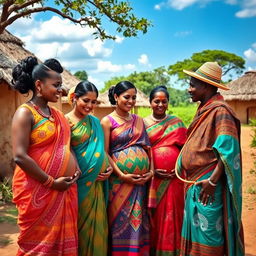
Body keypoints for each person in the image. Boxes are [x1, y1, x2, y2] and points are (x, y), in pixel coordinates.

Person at [11, 56, 80, 255]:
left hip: (65, 191)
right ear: (39, 85)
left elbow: (66, 145)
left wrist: (75, 166)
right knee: (36, 247)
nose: (61, 90)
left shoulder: (57, 115)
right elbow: (20, 156)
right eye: (56, 85)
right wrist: (51, 182)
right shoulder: (25, 113)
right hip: (38, 191)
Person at [175, 62, 244, 255]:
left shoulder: (221, 112)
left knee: (210, 237)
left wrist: (212, 182)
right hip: (196, 185)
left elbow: (227, 151)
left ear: (206, 86)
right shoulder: (204, 109)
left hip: (208, 187)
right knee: (197, 235)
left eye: (192, 85)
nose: (189, 89)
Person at [101, 81, 153, 256]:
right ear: (116, 97)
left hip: (140, 183)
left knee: (139, 220)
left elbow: (148, 148)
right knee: (119, 220)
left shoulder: (139, 120)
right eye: (126, 97)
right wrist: (122, 174)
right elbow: (105, 152)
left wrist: (151, 171)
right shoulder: (107, 122)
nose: (131, 101)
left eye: (133, 98)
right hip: (119, 183)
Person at [66, 81, 113, 256]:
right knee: (79, 228)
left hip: (98, 186)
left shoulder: (95, 122)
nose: (90, 105)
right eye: (86, 100)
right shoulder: (65, 121)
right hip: (78, 184)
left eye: (94, 102)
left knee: (98, 228)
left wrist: (108, 168)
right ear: (74, 98)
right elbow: (66, 150)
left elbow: (102, 150)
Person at [143, 86, 187, 256]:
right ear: (150, 103)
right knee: (155, 216)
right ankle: (156, 250)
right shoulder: (143, 123)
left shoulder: (177, 123)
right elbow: (141, 150)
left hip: (175, 179)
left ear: (168, 103)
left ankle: (174, 250)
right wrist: (154, 170)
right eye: (157, 101)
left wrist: (176, 168)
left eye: (164, 101)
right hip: (153, 179)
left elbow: (185, 150)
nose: (160, 104)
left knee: (174, 213)